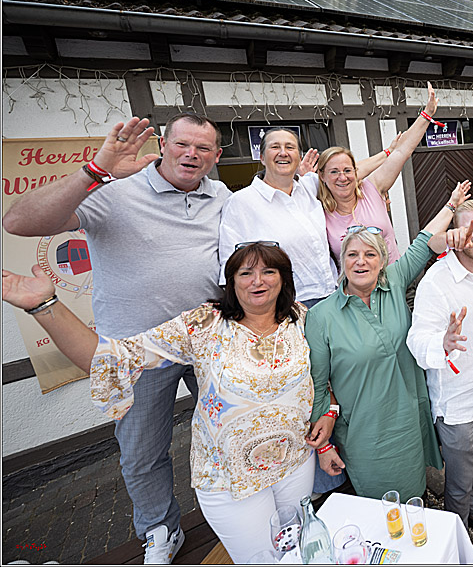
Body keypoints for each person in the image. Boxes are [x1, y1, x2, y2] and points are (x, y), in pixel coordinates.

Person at [1, 244, 335, 564]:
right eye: (246, 273)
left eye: (269, 271)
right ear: (231, 282)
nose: (257, 281)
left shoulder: (301, 318)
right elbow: (112, 358)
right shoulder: (205, 324)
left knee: (299, 548)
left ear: (284, 278)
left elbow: (326, 375)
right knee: (262, 560)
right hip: (231, 480)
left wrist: (330, 412)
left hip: (295, 464)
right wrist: (45, 306)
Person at [2, 114, 228, 563]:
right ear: (162, 145)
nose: (191, 154)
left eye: (203, 148)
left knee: (227, 431)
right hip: (135, 352)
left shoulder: (221, 195)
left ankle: (230, 508)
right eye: (182, 144)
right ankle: (161, 531)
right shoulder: (112, 190)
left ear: (216, 155)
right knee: (143, 452)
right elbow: (18, 221)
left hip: (208, 342)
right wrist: (95, 170)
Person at [305, 182, 471, 501]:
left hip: (408, 421)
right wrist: (324, 446)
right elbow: (316, 384)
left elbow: (424, 242)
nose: (361, 262)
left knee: (414, 498)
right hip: (365, 433)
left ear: (382, 261)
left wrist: (451, 206)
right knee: (381, 507)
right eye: (352, 254)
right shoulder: (321, 316)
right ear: (342, 261)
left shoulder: (393, 283)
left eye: (370, 254)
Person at [406, 201, 473, 537]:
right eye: (471, 228)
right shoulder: (437, 281)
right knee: (458, 480)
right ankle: (457, 539)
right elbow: (417, 340)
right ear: (455, 234)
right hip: (459, 407)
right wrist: (442, 342)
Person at [314, 83, 438, 264]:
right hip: (352, 281)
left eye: (347, 170)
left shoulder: (371, 189)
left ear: (356, 172)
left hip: (393, 277)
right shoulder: (319, 211)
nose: (342, 177)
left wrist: (427, 114)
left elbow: (402, 152)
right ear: (322, 176)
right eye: (334, 172)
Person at [219, 127, 335, 308]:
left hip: (333, 294)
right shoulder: (241, 202)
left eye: (290, 147)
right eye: (275, 147)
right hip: (287, 305)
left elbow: (349, 177)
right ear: (262, 157)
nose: (283, 152)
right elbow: (231, 265)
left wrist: (383, 155)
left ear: (299, 157)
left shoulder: (309, 187)